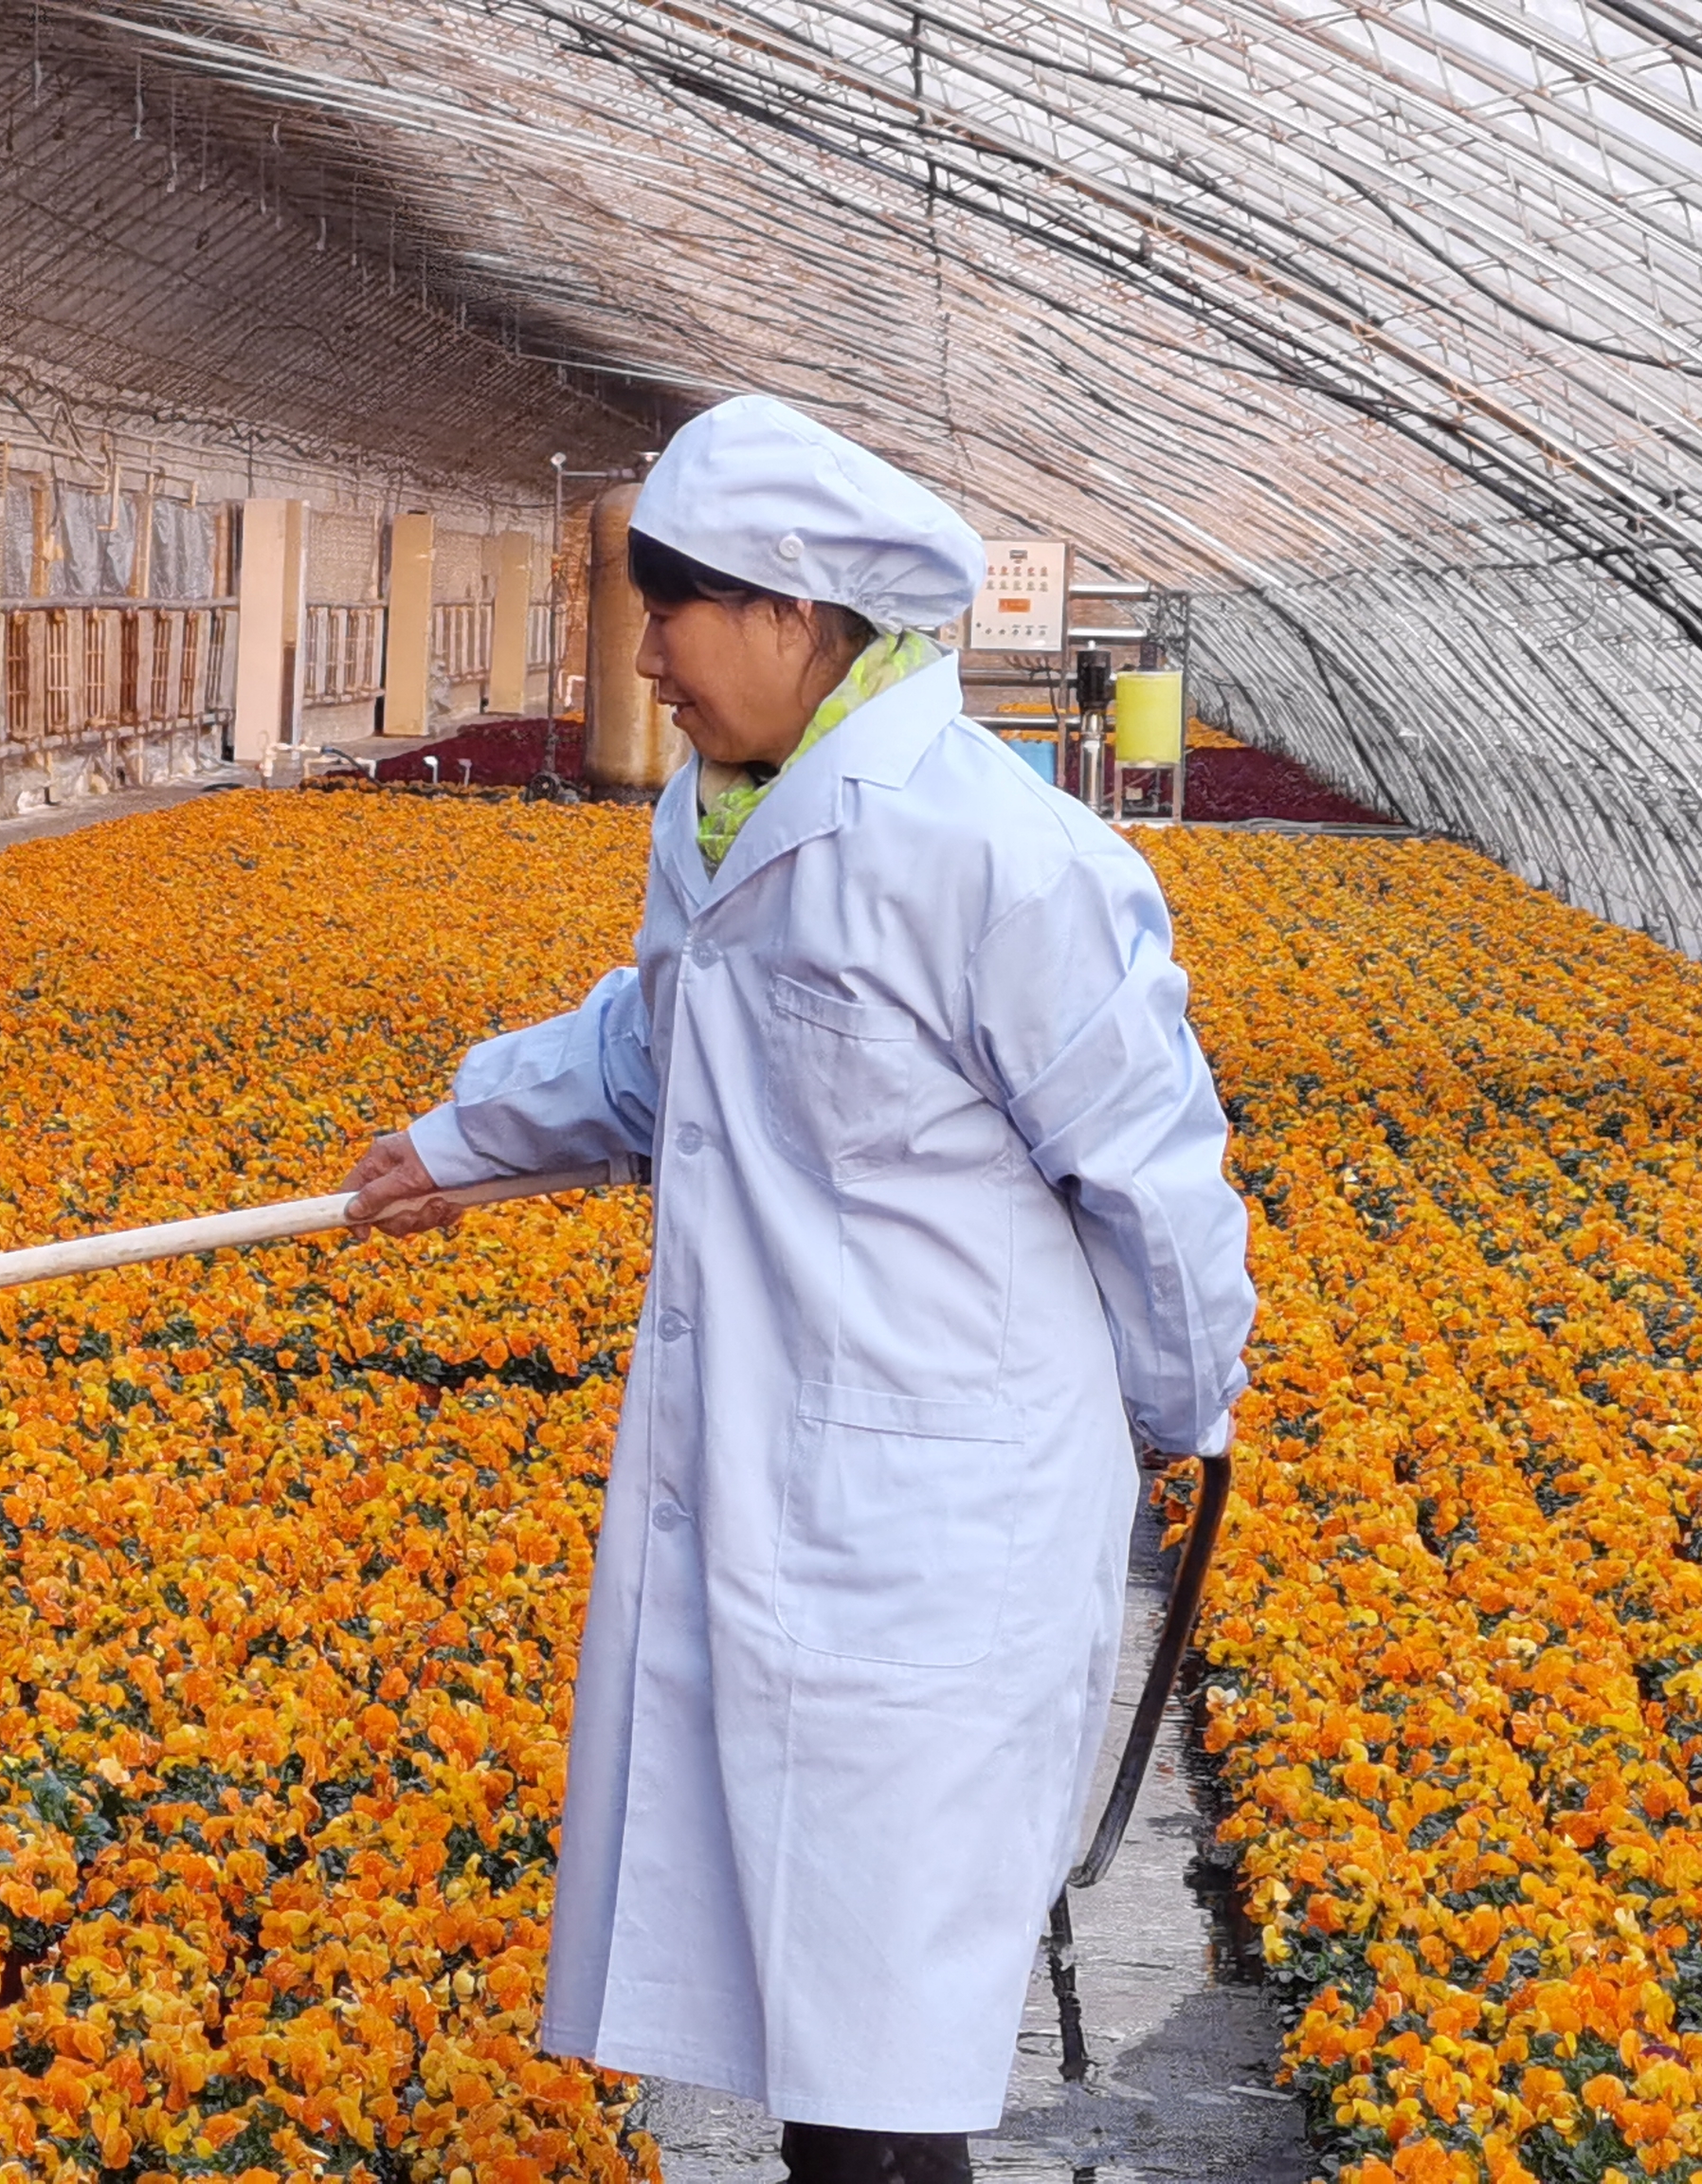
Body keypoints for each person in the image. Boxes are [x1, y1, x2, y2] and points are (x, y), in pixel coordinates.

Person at [342, 394, 1258, 2183]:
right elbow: (664, 1044)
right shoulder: (719, 815)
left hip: (935, 1524)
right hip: (776, 1490)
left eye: (671, 619)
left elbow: (1152, 1174)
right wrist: (467, 1141)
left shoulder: (997, 857)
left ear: (790, 614)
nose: (651, 664)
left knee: (878, 2058)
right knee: (826, 2038)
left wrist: (1169, 1411)